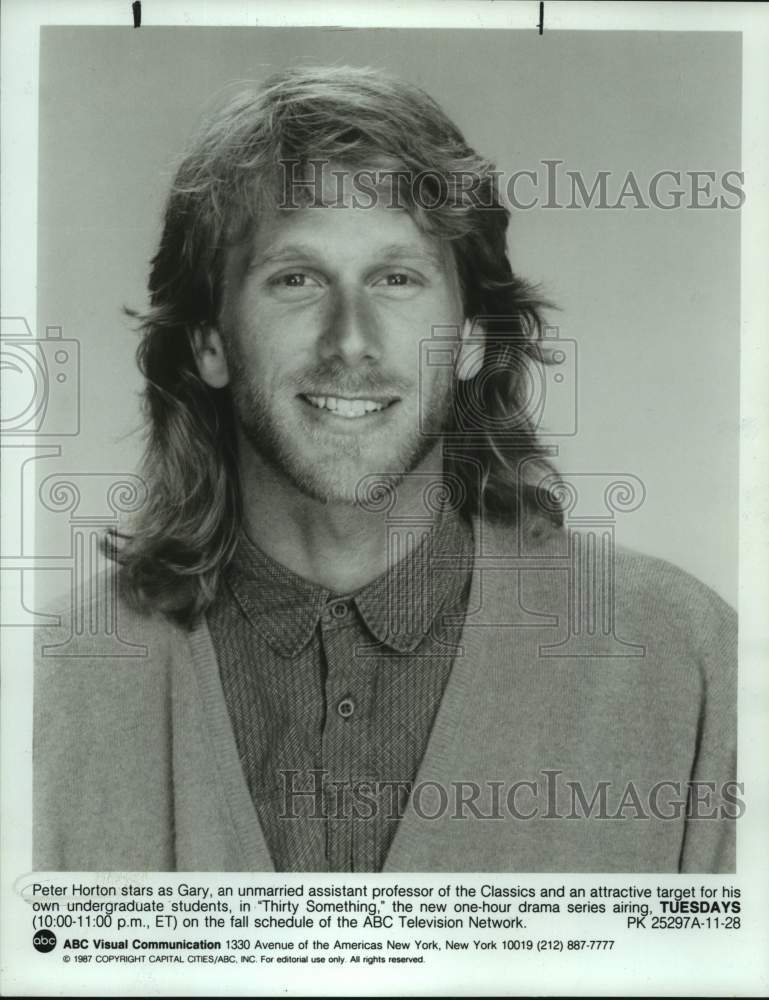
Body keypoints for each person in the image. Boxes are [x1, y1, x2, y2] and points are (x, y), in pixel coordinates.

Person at [34, 65, 738, 873]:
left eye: (397, 279)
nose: (350, 340)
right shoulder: (46, 692)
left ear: (472, 336)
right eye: (295, 279)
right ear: (209, 343)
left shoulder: (686, 663)